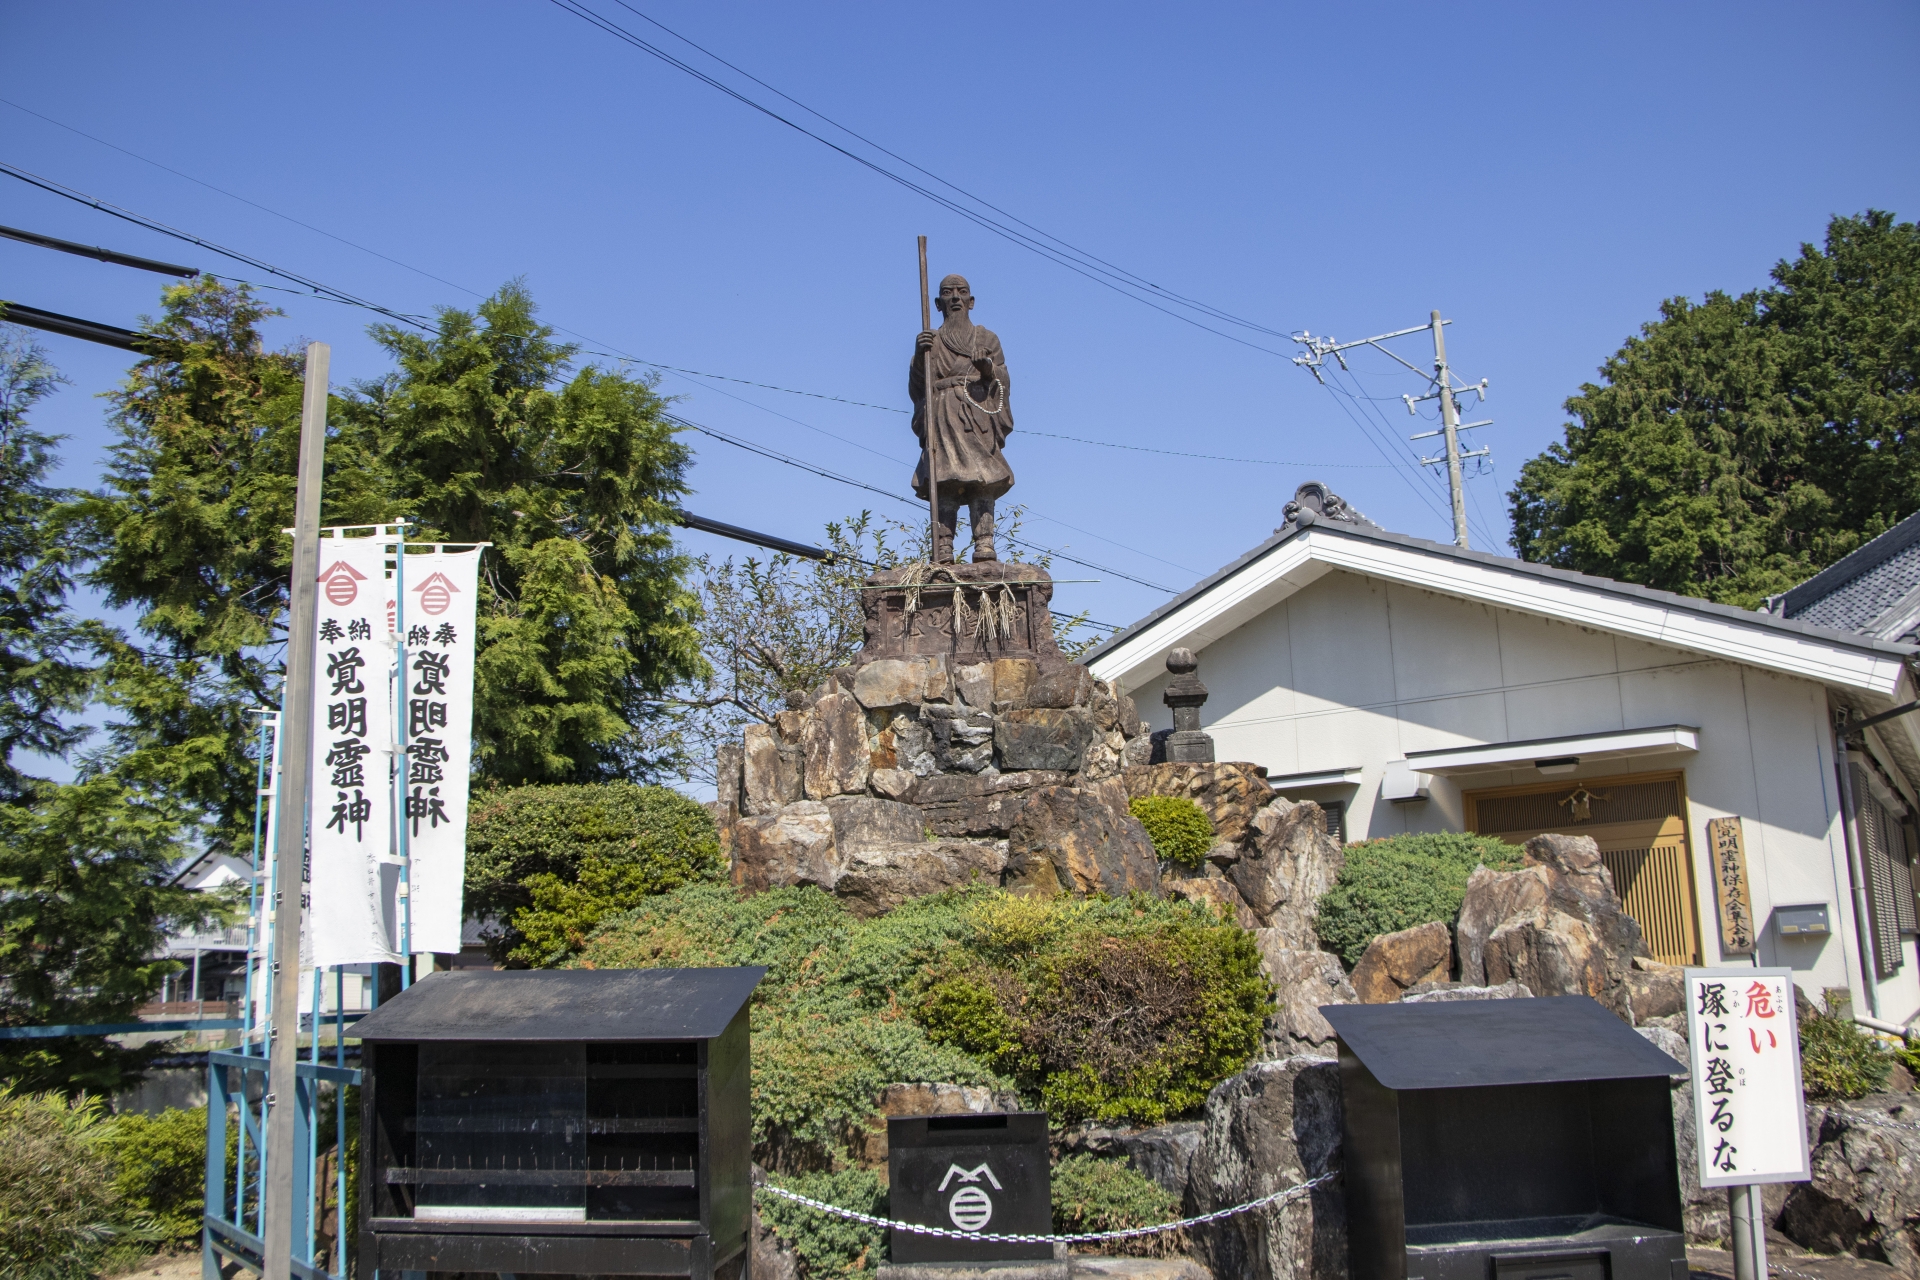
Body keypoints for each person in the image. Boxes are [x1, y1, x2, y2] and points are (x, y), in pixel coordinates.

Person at [910, 273, 1013, 562]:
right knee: (944, 478)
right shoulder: (932, 342)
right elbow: (919, 386)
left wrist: (987, 368)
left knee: (983, 478)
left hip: (976, 411)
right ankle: (943, 546)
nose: (954, 297)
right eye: (947, 292)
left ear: (971, 301)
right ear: (938, 302)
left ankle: (985, 543)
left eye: (961, 292)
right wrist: (921, 356)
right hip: (943, 415)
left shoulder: (986, 338)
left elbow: (1003, 379)